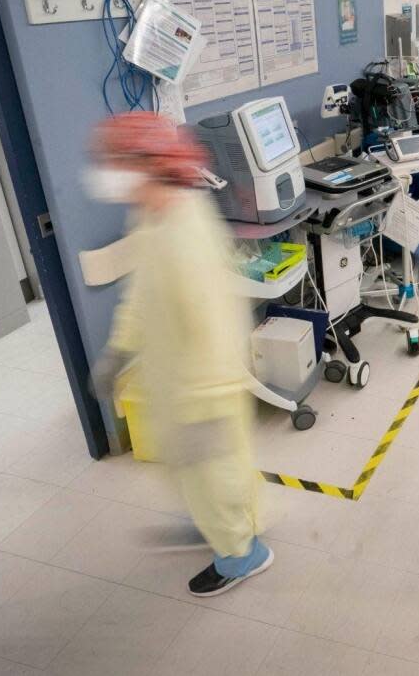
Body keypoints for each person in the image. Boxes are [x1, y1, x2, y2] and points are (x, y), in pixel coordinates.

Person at [86, 112, 272, 598]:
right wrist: (118, 349)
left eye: (118, 162)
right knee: (206, 478)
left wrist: (200, 407)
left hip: (204, 389)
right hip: (178, 380)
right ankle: (221, 525)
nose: (109, 172)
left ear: (149, 166)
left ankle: (241, 554)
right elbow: (141, 295)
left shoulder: (186, 231)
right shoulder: (153, 214)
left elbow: (211, 325)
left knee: (216, 476)